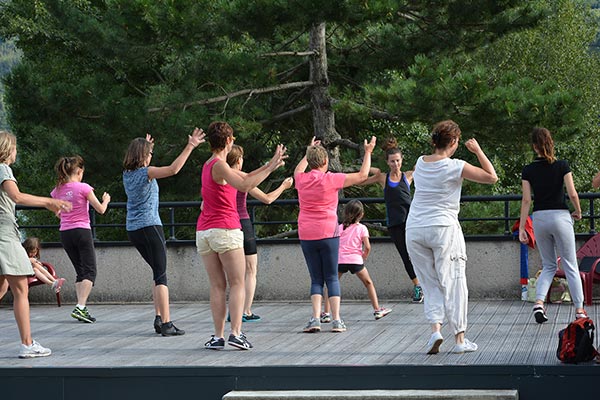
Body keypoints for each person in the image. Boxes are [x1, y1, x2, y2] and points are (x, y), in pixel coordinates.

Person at [405, 120, 497, 355]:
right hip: (443, 228)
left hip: (415, 229)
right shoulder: (456, 165)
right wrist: (477, 151)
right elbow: (491, 177)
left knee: (429, 283)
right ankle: (459, 339)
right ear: (454, 142)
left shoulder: (420, 162)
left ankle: (436, 330)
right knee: (454, 281)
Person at [197, 121, 287, 350]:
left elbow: (246, 176)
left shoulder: (208, 165)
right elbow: (246, 184)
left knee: (217, 286)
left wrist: (270, 165)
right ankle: (236, 333)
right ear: (228, 141)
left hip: (205, 231)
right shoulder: (219, 165)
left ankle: (218, 337)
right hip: (225, 229)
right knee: (238, 283)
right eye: (233, 138)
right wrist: (270, 166)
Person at [123, 128, 205, 336]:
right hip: (150, 227)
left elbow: (145, 160)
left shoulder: (127, 174)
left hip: (134, 229)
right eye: (149, 154)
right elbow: (174, 169)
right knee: (161, 275)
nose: (152, 157)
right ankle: (167, 323)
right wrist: (191, 145)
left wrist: (147, 146)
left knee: (156, 272)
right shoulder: (146, 173)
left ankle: (159, 318)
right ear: (142, 156)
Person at [0, 130, 72, 358]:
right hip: (4, 237)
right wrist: (49, 201)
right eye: (15, 148)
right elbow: (17, 196)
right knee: (20, 289)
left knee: (2, 287)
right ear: (7, 149)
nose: (16, 152)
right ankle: (27, 344)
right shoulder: (3, 169)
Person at [295, 135, 376, 334]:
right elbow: (362, 175)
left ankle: (315, 318)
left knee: (316, 279)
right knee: (332, 277)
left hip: (306, 233)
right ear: (325, 162)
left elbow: (298, 169)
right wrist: (368, 152)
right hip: (328, 233)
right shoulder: (331, 179)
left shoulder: (301, 179)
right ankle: (337, 321)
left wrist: (308, 151)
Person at [519, 127, 586, 323]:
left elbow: (526, 200)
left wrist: (523, 227)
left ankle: (539, 303)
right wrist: (579, 211)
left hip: (539, 218)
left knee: (548, 265)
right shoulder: (562, 165)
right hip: (560, 216)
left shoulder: (528, 170)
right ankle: (580, 310)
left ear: (534, 147)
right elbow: (572, 193)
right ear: (551, 143)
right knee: (570, 265)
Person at [226, 144, 294, 322]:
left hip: (226, 225)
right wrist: (284, 186)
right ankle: (245, 311)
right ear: (239, 160)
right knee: (250, 270)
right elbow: (268, 199)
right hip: (243, 223)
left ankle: (232, 309)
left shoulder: (220, 177)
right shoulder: (242, 180)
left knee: (232, 274)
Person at [362, 137, 423, 303]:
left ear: (402, 160)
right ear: (387, 163)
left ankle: (428, 284)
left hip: (411, 222)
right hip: (395, 224)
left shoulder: (408, 176)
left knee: (418, 254)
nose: (395, 164)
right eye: (392, 161)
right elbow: (362, 179)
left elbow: (426, 168)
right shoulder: (383, 178)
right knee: (405, 256)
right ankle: (417, 286)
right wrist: (373, 169)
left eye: (398, 161)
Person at [51, 156, 110, 323]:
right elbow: (100, 210)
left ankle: (81, 308)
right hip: (82, 231)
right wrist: (106, 200)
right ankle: (81, 307)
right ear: (79, 171)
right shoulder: (84, 188)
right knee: (90, 272)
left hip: (65, 232)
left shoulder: (57, 190)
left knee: (80, 271)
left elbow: (57, 212)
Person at [322, 200, 392, 322]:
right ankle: (377, 310)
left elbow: (333, 244)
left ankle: (326, 313)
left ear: (345, 213)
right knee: (368, 283)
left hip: (340, 260)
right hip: (356, 260)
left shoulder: (339, 228)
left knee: (331, 284)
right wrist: (364, 255)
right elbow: (368, 246)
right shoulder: (362, 228)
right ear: (361, 214)